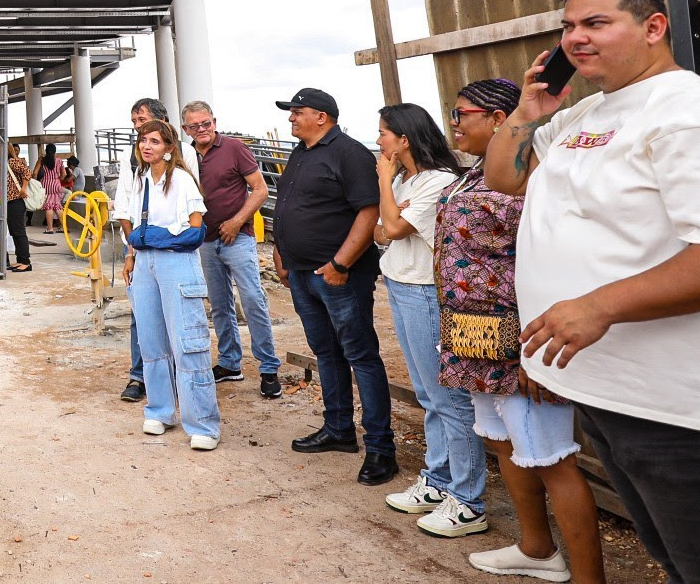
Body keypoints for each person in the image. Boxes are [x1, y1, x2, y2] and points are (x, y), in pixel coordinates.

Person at [487, 0, 700, 584]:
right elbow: (503, 177)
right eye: (569, 26)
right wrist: (529, 109)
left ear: (654, 26)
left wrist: (599, 305)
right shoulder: (584, 117)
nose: (576, 38)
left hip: (688, 411)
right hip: (610, 394)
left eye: (597, 22)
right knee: (676, 563)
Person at [441, 79, 604, 584]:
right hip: (474, 338)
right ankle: (537, 548)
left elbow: (557, 258)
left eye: (460, 113)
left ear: (496, 118)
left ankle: (589, 578)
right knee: (504, 443)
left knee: (552, 458)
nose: (453, 123)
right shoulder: (475, 175)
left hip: (523, 340)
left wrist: (533, 356)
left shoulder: (537, 176)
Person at [271, 87, 397, 485]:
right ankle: (338, 429)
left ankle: (380, 448)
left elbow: (368, 209)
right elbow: (290, 206)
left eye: (298, 112)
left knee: (361, 355)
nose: (291, 118)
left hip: (338, 274)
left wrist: (341, 262)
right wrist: (282, 253)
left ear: (322, 116)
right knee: (326, 351)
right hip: (302, 273)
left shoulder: (350, 153)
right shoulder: (302, 152)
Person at [373, 103, 488, 536]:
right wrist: (391, 208)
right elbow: (380, 230)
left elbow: (395, 229)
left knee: (447, 397)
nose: (379, 140)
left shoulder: (437, 181)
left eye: (384, 132)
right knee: (426, 392)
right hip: (400, 285)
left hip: (425, 292)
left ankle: (468, 499)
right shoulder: (408, 180)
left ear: (404, 139)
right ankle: (439, 480)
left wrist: (385, 188)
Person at [115, 117, 218, 451]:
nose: (147, 146)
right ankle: (160, 410)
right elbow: (132, 224)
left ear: (170, 148)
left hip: (176, 263)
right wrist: (131, 255)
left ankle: (202, 423)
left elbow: (195, 228)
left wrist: (156, 238)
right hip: (145, 263)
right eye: (143, 140)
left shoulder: (183, 181)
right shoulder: (141, 179)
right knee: (151, 340)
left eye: (155, 141)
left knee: (187, 340)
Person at [180, 100, 281, 398]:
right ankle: (229, 363)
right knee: (220, 305)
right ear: (186, 129)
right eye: (194, 126)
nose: (201, 130)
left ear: (214, 121)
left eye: (206, 123)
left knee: (252, 300)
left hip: (238, 238)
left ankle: (268, 367)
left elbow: (260, 189)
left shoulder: (235, 148)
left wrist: (237, 222)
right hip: (205, 241)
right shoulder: (185, 155)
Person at [118, 96, 168, 403]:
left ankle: (172, 373)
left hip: (174, 249)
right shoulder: (132, 158)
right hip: (141, 247)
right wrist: (131, 249)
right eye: (135, 123)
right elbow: (125, 204)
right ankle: (140, 375)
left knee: (175, 313)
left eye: (143, 121)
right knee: (141, 312)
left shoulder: (183, 154)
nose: (138, 128)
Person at [0, 145, 33, 272]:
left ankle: (26, 261)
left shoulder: (11, 162)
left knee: (19, 232)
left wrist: (23, 188)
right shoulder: (4, 164)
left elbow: (27, 172)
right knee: (15, 232)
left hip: (16, 201)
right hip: (9, 202)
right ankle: (20, 259)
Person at [34, 142, 64, 234]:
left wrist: (35, 183)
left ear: (46, 151)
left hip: (46, 184)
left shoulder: (42, 160)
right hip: (56, 183)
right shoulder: (59, 161)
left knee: (49, 207)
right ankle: (64, 227)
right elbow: (64, 174)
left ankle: (50, 228)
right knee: (58, 206)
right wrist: (58, 180)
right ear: (55, 151)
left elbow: (35, 172)